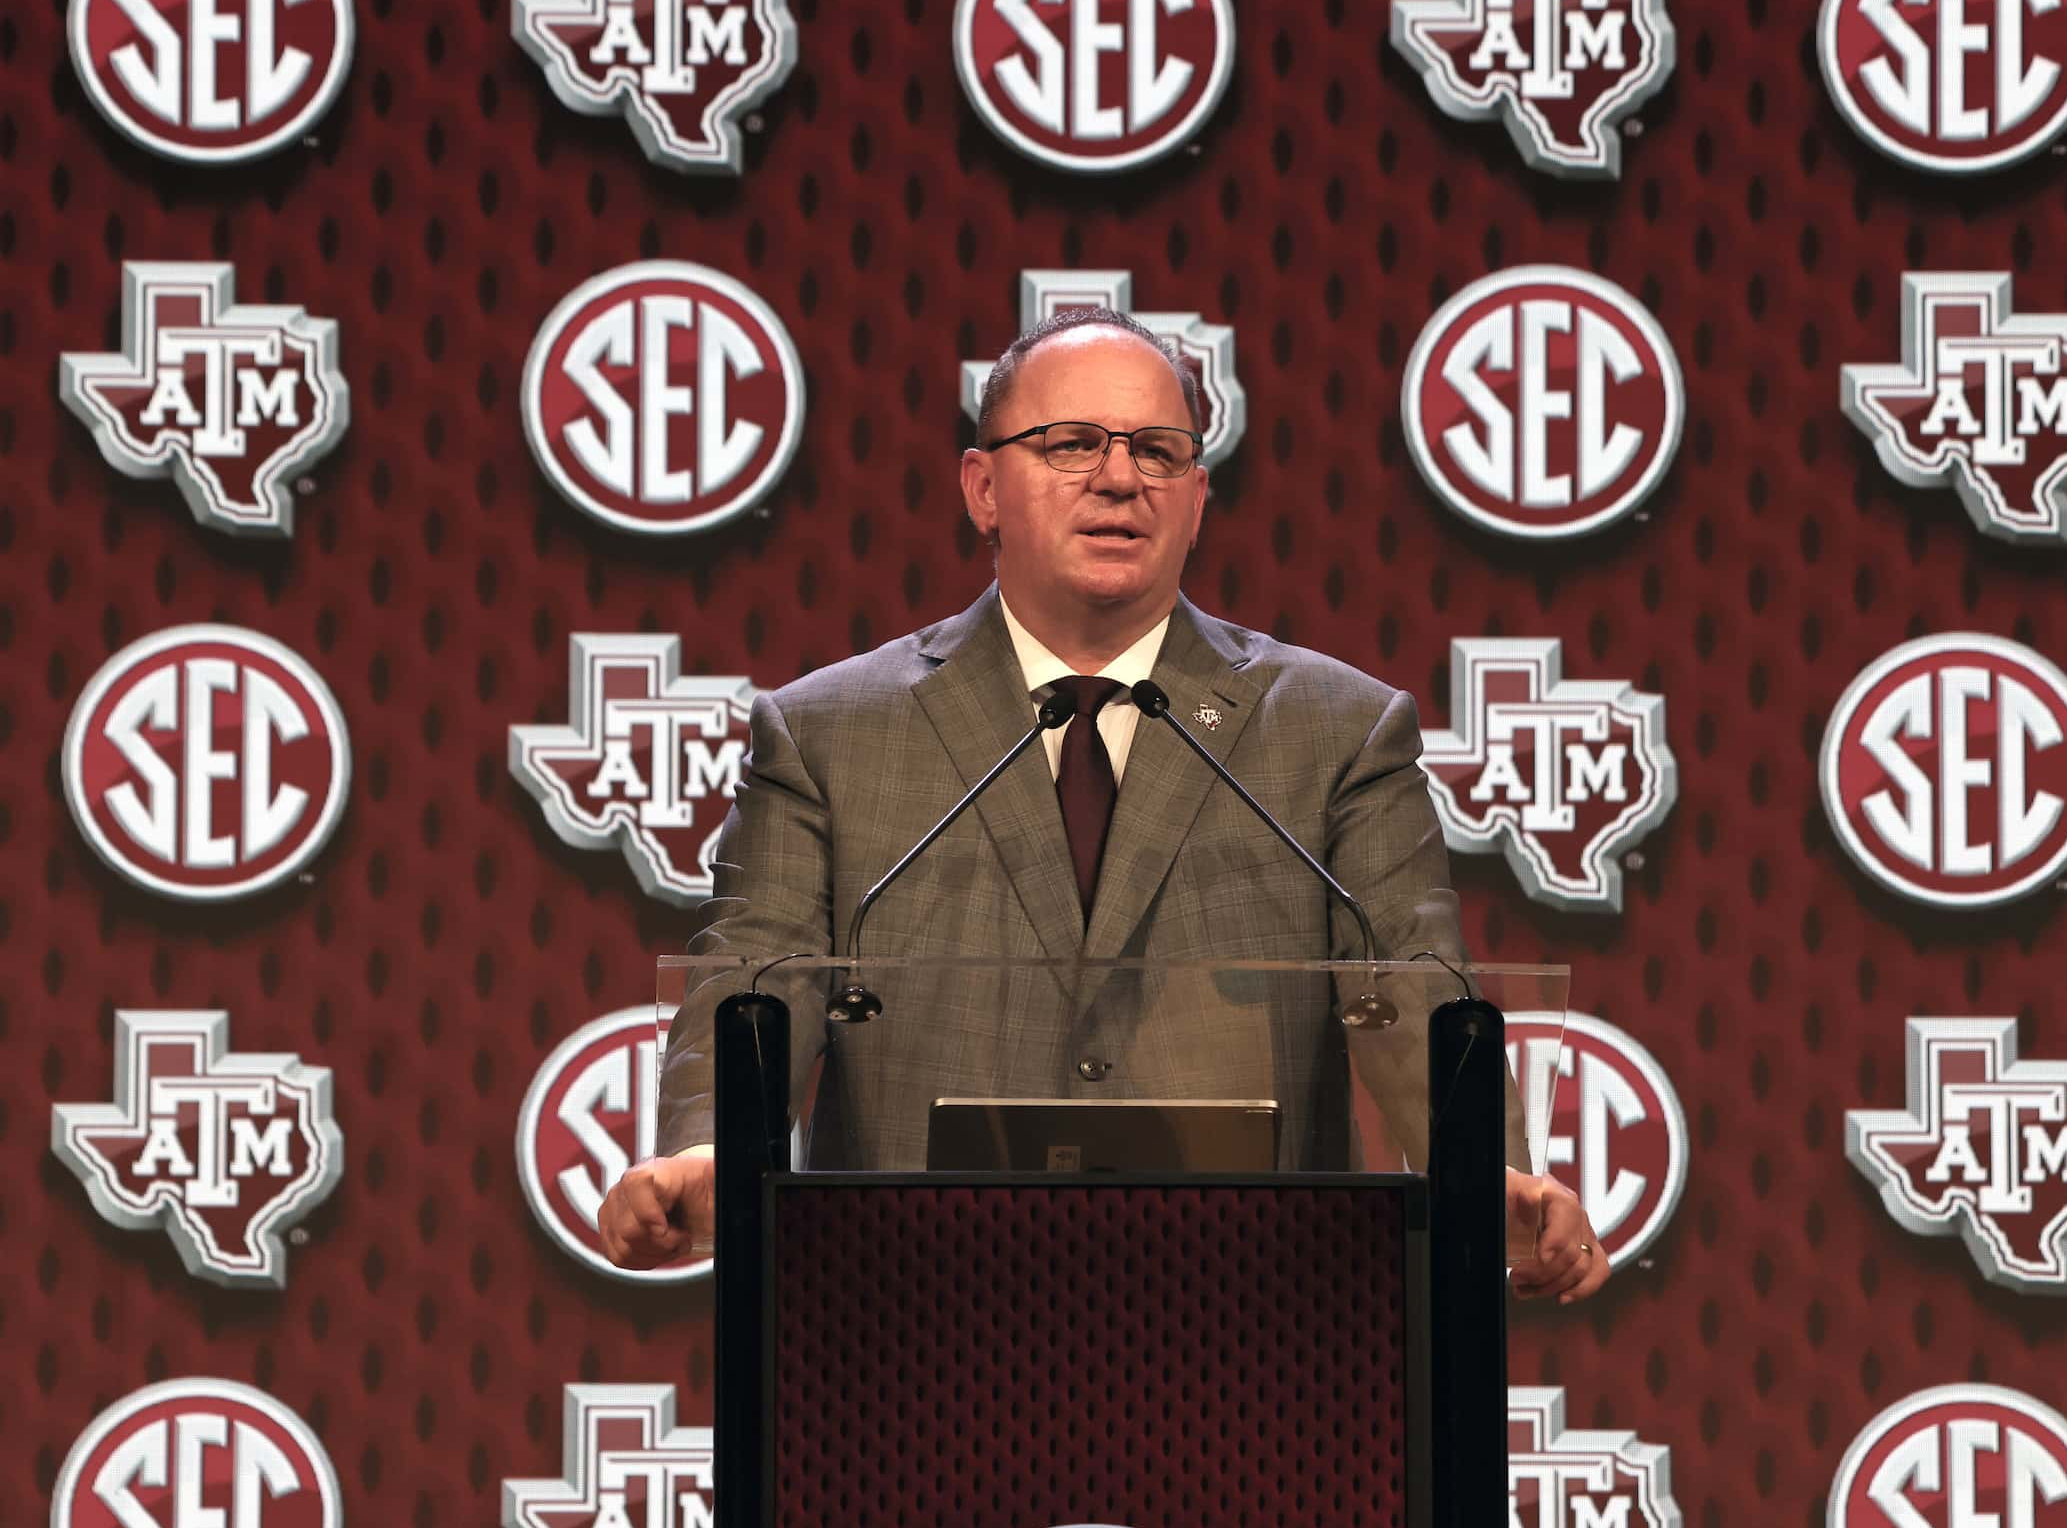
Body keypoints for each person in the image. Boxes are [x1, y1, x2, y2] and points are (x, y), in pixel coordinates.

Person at [598, 307, 1610, 1306]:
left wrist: (1490, 1176)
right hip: (909, 1323)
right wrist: (708, 1149)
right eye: (1072, 443)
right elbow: (753, 977)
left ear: (1199, 497)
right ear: (982, 487)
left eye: (1158, 452)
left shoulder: (1335, 731)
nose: (1120, 478)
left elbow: (1417, 992)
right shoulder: (828, 733)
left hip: (1253, 1329)